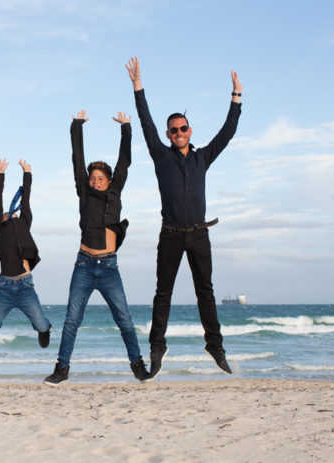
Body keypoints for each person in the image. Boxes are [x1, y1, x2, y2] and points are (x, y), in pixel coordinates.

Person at [125, 56, 242, 378]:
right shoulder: (160, 155)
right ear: (168, 133)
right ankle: (157, 349)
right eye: (173, 129)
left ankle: (215, 347)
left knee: (206, 292)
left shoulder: (203, 157)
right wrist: (137, 86)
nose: (178, 132)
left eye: (183, 128)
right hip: (171, 234)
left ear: (190, 131)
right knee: (163, 293)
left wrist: (236, 98)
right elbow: (145, 121)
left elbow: (228, 132)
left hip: (200, 234)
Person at [44, 110, 150, 386]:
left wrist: (126, 128)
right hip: (84, 265)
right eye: (92, 177)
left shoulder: (115, 192)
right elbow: (77, 157)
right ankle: (62, 368)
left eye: (100, 178)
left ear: (109, 180)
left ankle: (137, 364)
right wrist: (76, 126)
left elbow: (124, 161)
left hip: (109, 267)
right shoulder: (83, 190)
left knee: (124, 319)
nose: (95, 180)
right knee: (71, 320)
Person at [0, 158, 51, 356]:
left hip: (25, 286)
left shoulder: (25, 222)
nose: (8, 214)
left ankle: (45, 331)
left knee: (41, 324)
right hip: (5, 288)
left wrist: (27, 175)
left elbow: (25, 201)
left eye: (11, 213)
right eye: (4, 214)